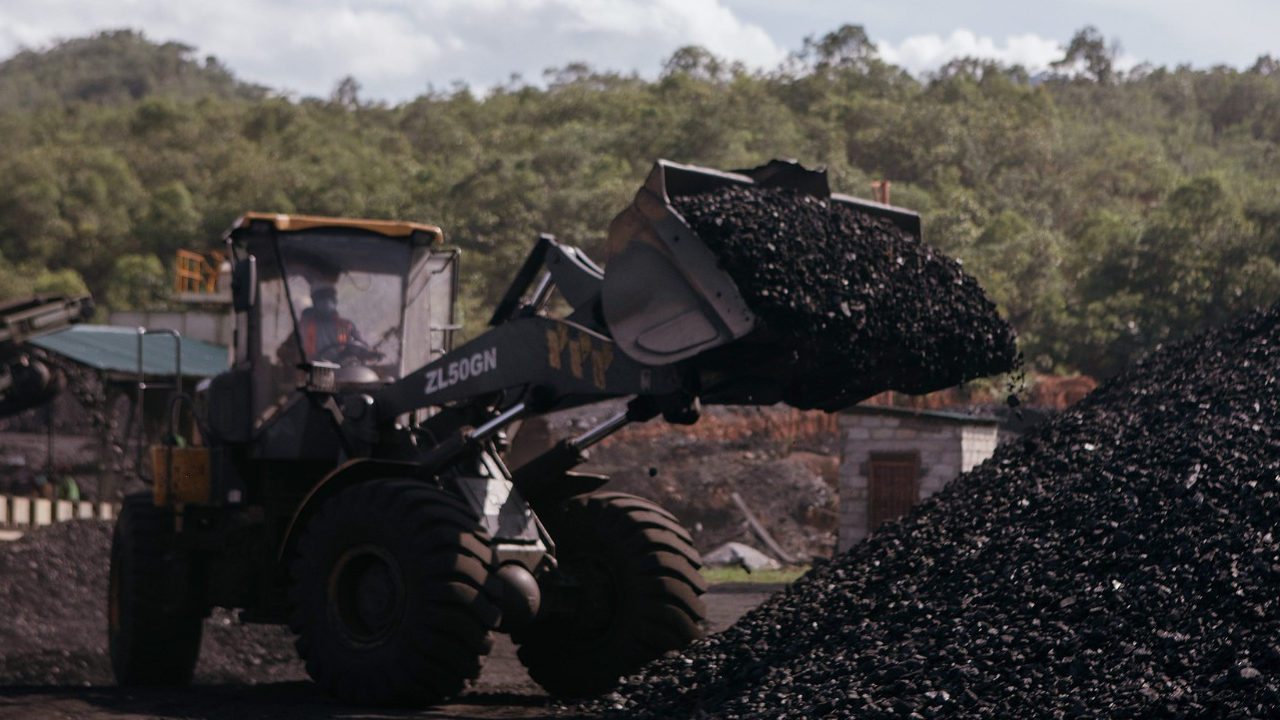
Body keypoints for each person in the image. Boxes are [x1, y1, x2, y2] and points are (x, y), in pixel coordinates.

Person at [279, 284, 377, 366]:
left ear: (335, 302)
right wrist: (298, 360)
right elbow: (282, 351)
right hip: (312, 375)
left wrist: (371, 353)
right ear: (314, 302)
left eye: (329, 298)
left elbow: (362, 348)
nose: (326, 303)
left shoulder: (347, 326)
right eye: (321, 299)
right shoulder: (303, 327)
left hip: (343, 373)